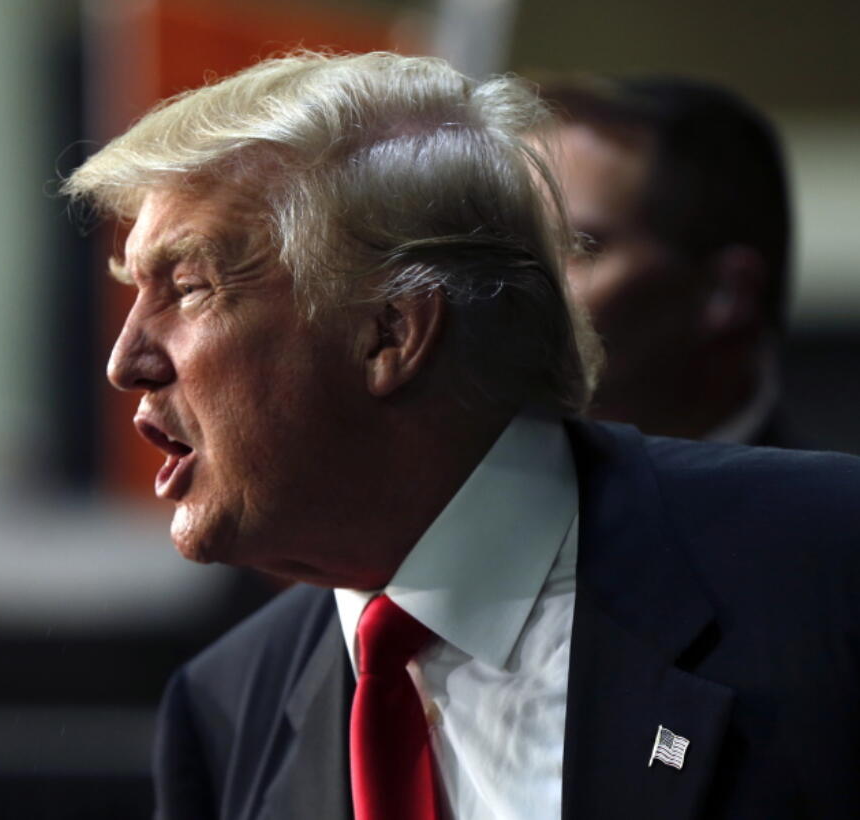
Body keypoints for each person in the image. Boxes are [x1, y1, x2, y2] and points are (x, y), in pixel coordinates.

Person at [63, 51, 859, 819]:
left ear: (390, 334)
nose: (125, 361)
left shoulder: (823, 567)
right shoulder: (227, 710)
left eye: (190, 288)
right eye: (136, 292)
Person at [544, 76, 795, 444]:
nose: (501, 278)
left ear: (727, 293)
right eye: (499, 237)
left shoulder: (829, 500)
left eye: (575, 246)